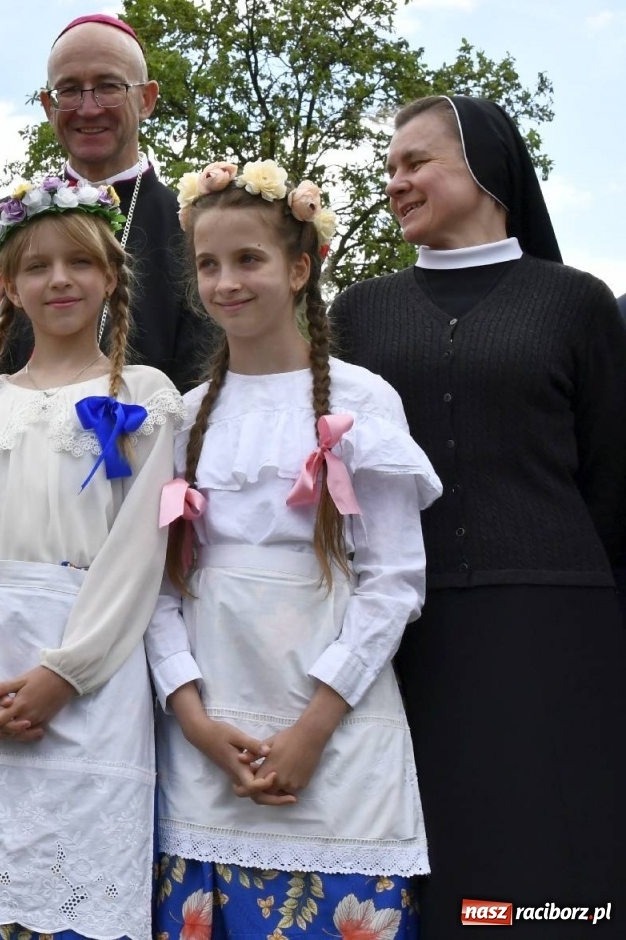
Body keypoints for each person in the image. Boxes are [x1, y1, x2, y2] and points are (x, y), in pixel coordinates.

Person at [330, 95, 626, 930]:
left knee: (555, 873)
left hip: (557, 630)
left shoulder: (575, 302)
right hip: (406, 635)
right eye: (389, 168)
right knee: (441, 871)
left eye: (415, 162)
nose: (396, 182)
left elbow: (612, 477)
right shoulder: (359, 312)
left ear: (487, 169)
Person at [146, 161, 439, 937]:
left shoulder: (363, 401)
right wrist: (195, 719)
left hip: (333, 737)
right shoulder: (181, 418)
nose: (226, 282)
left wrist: (312, 728)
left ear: (301, 267)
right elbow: (157, 591)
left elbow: (393, 582)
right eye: (209, 264)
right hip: (208, 745)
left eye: (249, 259)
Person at [0, 177, 181, 939]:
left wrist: (66, 673)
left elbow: (137, 554)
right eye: (38, 266)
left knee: (77, 897)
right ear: (7, 284)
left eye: (80, 263)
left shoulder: (145, 397)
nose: (60, 279)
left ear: (111, 276)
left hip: (91, 671)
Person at [0, 13, 205, 414]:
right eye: (70, 90)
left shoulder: (192, 226)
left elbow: (202, 378)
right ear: (48, 105)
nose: (88, 108)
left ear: (146, 99)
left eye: (109, 87)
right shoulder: (0, 225)